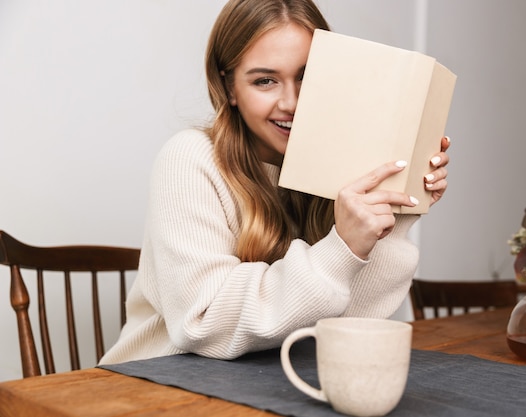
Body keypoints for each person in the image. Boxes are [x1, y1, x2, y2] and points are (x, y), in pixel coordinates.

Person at [99, 0, 450, 364]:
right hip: (156, 383)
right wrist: (341, 247)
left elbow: (344, 321)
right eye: (265, 80)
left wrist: (394, 207)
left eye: (306, 77)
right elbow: (203, 324)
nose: (291, 102)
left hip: (269, 382)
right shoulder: (190, 158)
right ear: (230, 88)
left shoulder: (337, 165)